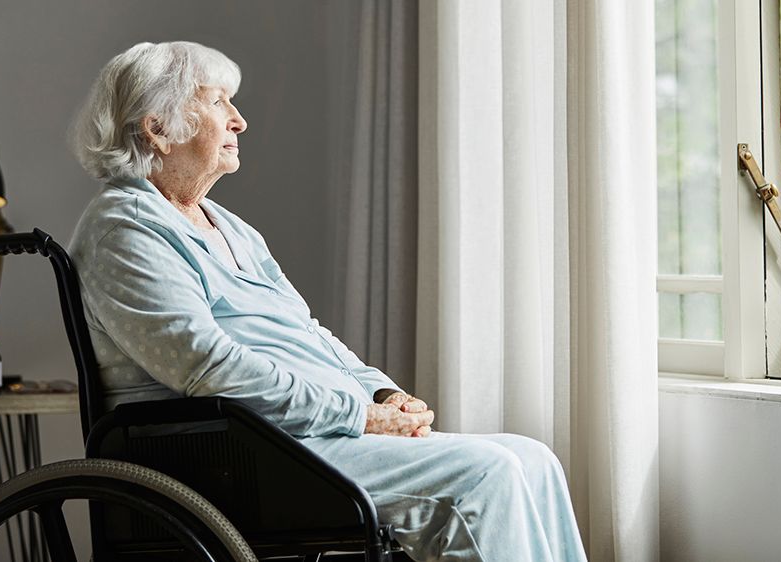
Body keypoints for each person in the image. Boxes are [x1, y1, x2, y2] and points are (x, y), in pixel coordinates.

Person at [68, 41, 586, 562]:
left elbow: (308, 333)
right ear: (157, 128)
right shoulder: (126, 228)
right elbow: (207, 368)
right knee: (485, 474)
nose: (239, 121)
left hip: (299, 436)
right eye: (218, 102)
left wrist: (380, 394)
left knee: (532, 458)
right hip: (232, 455)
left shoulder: (228, 226)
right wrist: (358, 416)